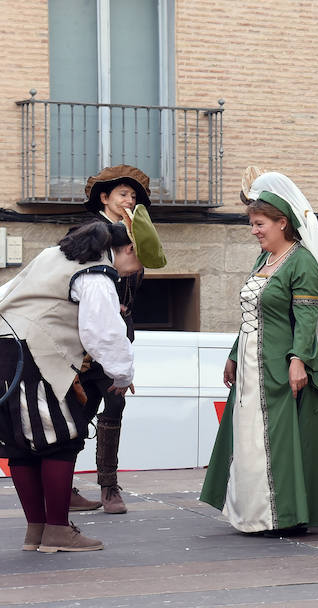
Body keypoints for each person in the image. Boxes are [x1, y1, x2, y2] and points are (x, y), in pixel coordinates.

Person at [1, 220, 155, 551]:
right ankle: (57, 530)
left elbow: (7, 293)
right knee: (61, 439)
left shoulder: (51, 254)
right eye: (138, 263)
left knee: (21, 444)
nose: (132, 272)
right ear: (129, 249)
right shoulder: (97, 272)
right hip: (35, 357)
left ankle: (37, 531)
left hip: (7, 349)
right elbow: (102, 331)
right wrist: (122, 373)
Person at [200, 172, 318, 534]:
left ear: (283, 223)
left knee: (276, 439)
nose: (254, 231)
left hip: (278, 365)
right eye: (252, 224)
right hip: (249, 365)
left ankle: (283, 515)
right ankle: (251, 511)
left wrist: (298, 361)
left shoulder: (302, 262)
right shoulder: (262, 261)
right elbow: (252, 313)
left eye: (259, 224)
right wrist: (233, 354)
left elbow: (307, 319)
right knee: (248, 437)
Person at [72, 165, 167, 515]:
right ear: (104, 197)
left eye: (133, 196)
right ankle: (65, 484)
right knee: (76, 411)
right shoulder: (87, 232)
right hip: (83, 341)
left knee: (115, 406)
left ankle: (109, 486)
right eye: (123, 194)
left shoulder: (136, 233)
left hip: (117, 334)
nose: (129, 200)